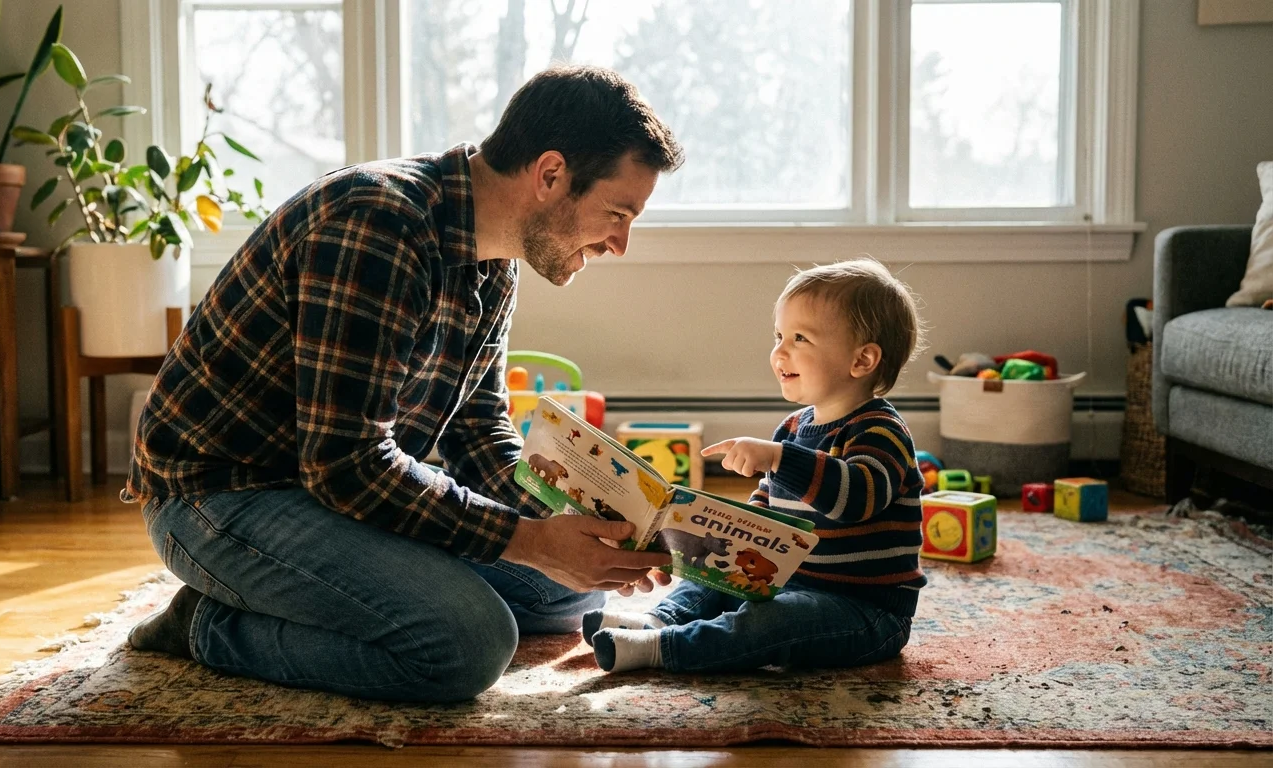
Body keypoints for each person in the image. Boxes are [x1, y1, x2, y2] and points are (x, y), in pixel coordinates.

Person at [122, 65, 684, 702]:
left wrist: (585, 519)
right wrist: (529, 539)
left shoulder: (495, 259)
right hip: (226, 495)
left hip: (332, 496)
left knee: (577, 584)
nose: (620, 243)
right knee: (467, 645)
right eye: (616, 213)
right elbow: (346, 466)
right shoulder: (375, 224)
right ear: (550, 175)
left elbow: (477, 429)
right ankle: (207, 624)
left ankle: (321, 594)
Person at [583, 257, 928, 673]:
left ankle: (664, 648)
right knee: (710, 579)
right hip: (783, 582)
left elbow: (854, 499)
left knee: (772, 622)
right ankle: (659, 619)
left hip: (863, 610)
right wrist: (707, 531)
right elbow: (765, 514)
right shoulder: (792, 428)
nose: (780, 351)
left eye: (800, 338)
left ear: (862, 361)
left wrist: (781, 458)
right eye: (779, 335)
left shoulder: (880, 430)